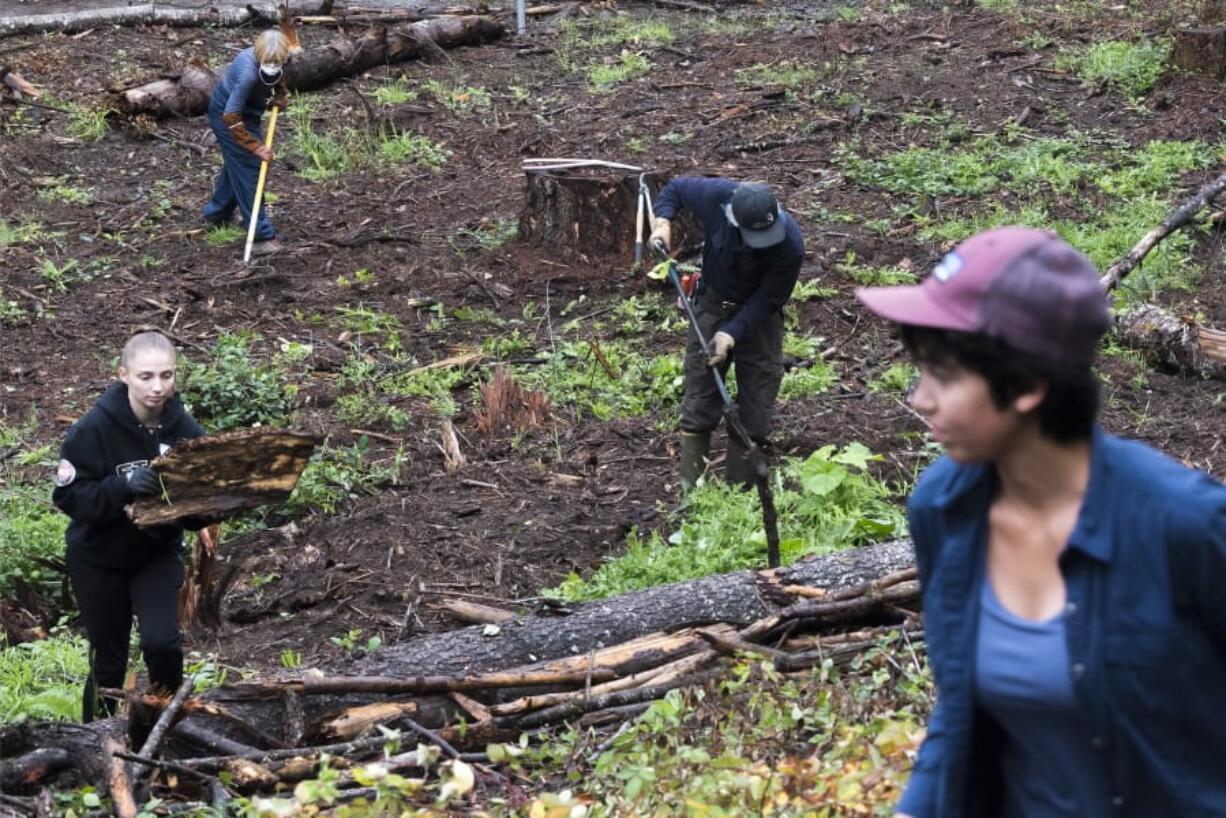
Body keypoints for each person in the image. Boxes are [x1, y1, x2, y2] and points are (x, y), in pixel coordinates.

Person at [854, 226, 1226, 817]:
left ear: (1027, 384)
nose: (920, 399)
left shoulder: (1186, 525)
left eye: (944, 376)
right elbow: (960, 711)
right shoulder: (943, 509)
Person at [52, 331, 206, 724]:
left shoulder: (184, 430)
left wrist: (215, 503)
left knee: (163, 644)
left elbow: (198, 506)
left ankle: (169, 727)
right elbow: (69, 498)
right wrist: (122, 486)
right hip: (98, 558)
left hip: (154, 554)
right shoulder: (94, 428)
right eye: (146, 376)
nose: (157, 387)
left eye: (166, 376)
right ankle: (96, 735)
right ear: (124, 375)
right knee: (109, 660)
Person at [649, 178, 804, 490]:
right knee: (700, 397)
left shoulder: (790, 243)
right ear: (734, 220)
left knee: (757, 403)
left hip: (760, 316)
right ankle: (693, 493)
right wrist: (663, 222)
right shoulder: (717, 199)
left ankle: (739, 493)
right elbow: (675, 188)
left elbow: (769, 298)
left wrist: (731, 333)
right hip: (712, 303)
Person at [203, 29, 291, 257]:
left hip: (249, 112)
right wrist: (255, 146)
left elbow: (279, 76)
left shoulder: (280, 58)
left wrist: (280, 95)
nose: (273, 66)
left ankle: (217, 213)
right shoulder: (248, 75)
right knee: (250, 168)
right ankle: (261, 235)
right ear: (260, 55)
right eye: (269, 63)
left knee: (238, 165)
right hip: (228, 117)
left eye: (277, 62)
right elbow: (230, 116)